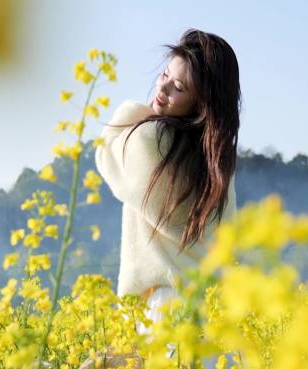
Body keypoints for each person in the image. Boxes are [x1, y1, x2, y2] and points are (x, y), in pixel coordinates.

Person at [89, 28, 241, 368]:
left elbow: (106, 152)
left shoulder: (151, 140)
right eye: (165, 75)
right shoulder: (217, 166)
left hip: (165, 312)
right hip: (212, 316)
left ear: (201, 102)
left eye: (179, 87)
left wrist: (134, 111)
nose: (162, 88)